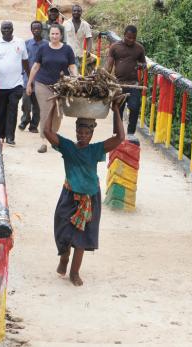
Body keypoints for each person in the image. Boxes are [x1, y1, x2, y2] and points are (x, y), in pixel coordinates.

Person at [42, 98, 126, 286]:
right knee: (62, 233)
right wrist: (54, 106)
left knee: (81, 238)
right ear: (76, 131)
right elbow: (47, 131)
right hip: (69, 196)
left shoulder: (96, 150)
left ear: (91, 134)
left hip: (89, 198)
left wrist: (116, 110)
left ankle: (74, 272)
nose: (82, 135)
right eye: (79, 131)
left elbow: (120, 137)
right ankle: (64, 258)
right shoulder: (68, 147)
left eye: (86, 132)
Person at [26, 24, 78, 153]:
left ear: (61, 35)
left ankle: (52, 136)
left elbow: (72, 66)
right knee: (46, 111)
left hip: (61, 86)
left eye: (57, 34)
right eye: (52, 34)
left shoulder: (67, 49)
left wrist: (76, 78)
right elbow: (35, 67)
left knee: (58, 114)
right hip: (43, 84)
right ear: (48, 35)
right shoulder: (43, 48)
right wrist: (29, 83)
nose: (54, 36)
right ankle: (44, 141)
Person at [0, 21, 29, 146]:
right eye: (4, 28)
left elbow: (25, 61)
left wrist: (30, 79)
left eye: (9, 28)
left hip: (16, 85)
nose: (6, 30)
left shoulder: (20, 42)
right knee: (1, 112)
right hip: (0, 85)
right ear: (1, 30)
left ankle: (10, 137)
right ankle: (1, 135)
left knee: (12, 109)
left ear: (12, 29)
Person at [105, 25, 146, 135]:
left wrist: (140, 66)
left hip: (134, 84)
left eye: (133, 38)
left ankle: (130, 133)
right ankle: (117, 133)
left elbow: (144, 64)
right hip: (119, 84)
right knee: (118, 109)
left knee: (135, 107)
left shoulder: (139, 48)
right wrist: (105, 78)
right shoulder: (115, 47)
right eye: (129, 37)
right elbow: (109, 65)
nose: (131, 40)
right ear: (124, 35)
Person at [19, 21, 47, 133]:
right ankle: (25, 119)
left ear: (42, 30)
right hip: (27, 78)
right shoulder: (27, 44)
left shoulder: (46, 44)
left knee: (38, 105)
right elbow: (22, 59)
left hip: (41, 79)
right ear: (31, 30)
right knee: (26, 101)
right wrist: (21, 72)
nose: (36, 30)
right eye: (34, 29)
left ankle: (34, 125)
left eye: (38, 28)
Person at [63, 4, 92, 70]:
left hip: (79, 54)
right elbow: (62, 38)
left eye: (78, 11)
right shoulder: (65, 23)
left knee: (77, 72)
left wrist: (89, 50)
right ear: (72, 12)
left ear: (81, 12)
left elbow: (89, 38)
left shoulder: (85, 25)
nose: (76, 12)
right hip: (67, 53)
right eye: (74, 10)